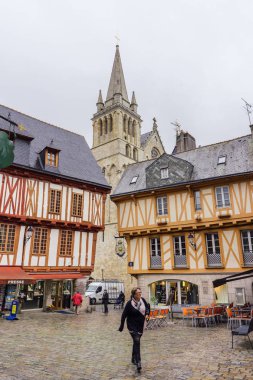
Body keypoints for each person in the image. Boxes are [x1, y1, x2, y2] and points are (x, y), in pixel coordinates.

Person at [118, 287, 150, 373]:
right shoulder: (129, 304)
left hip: (140, 325)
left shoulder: (143, 300)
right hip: (132, 326)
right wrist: (121, 326)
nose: (140, 294)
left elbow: (147, 308)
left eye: (140, 292)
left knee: (136, 342)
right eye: (138, 293)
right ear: (134, 294)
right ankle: (138, 362)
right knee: (137, 341)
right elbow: (124, 315)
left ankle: (133, 358)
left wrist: (147, 315)